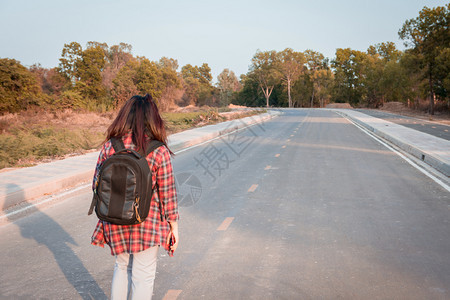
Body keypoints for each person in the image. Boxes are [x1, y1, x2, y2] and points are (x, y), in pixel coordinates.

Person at [91, 94, 179, 300]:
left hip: (114, 218)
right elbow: (168, 194)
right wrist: (174, 227)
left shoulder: (109, 146)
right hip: (146, 220)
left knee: (121, 267)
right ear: (153, 118)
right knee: (143, 274)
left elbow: (96, 184)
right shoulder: (158, 151)